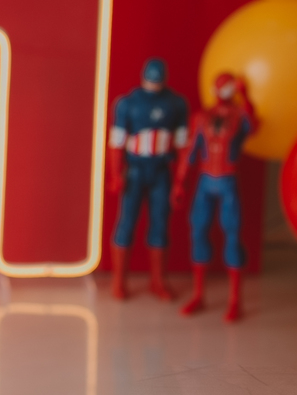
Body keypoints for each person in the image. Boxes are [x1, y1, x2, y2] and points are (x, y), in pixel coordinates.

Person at [174, 71, 257, 322]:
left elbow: (253, 126)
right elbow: (190, 151)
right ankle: (199, 294)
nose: (224, 90)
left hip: (228, 180)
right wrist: (179, 182)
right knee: (198, 231)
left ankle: (235, 301)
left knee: (232, 235)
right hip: (205, 181)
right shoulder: (202, 117)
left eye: (229, 86)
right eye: (222, 86)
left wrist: (245, 96)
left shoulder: (240, 115)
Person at [106, 57, 189, 301]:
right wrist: (115, 175)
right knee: (126, 223)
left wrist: (179, 181)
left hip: (161, 170)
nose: (154, 85)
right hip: (135, 170)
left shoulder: (176, 104)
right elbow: (116, 143)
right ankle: (119, 281)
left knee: (160, 225)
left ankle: (158, 280)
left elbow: (183, 145)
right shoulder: (127, 104)